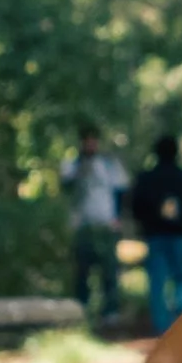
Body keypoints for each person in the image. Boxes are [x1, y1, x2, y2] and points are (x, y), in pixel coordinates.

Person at [129, 135, 182, 334]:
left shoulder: (146, 179)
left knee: (157, 281)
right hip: (178, 235)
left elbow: (135, 207)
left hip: (155, 235)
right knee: (180, 276)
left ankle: (162, 328)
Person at [61, 131, 129, 325]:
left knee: (109, 270)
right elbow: (66, 187)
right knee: (82, 271)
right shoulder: (72, 164)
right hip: (82, 226)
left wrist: (118, 218)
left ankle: (110, 312)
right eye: (87, 142)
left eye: (93, 141)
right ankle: (81, 312)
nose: (90, 145)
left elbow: (121, 191)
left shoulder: (109, 165)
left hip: (106, 225)